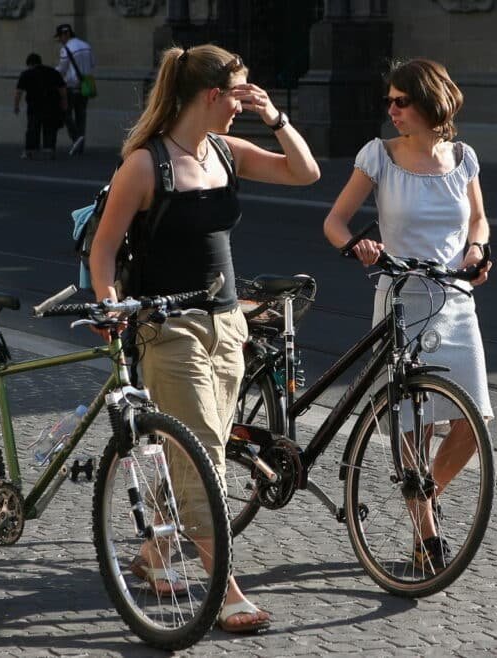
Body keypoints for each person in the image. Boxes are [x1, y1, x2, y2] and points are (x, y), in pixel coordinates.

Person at [88, 44, 319, 633]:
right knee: (205, 457)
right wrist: (112, 310)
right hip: (171, 332)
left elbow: (304, 172)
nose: (244, 107)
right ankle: (226, 593)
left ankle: (156, 555)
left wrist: (277, 117)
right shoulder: (145, 164)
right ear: (213, 96)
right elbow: (105, 249)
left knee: (189, 447)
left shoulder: (224, 152)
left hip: (226, 326)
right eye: (241, 96)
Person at [322, 58, 493, 570]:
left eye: (401, 102)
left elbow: (479, 220)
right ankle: (425, 532)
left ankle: (423, 493)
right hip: (399, 297)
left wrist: (479, 251)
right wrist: (359, 245)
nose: (391, 110)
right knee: (411, 426)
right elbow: (334, 221)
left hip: (454, 300)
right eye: (389, 102)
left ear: (429, 104)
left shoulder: (463, 158)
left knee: (474, 419)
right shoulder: (378, 156)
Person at [14, 53, 67, 160]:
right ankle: (50, 149)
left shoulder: (26, 74)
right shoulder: (53, 72)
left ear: (29, 64)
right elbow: (62, 89)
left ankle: (30, 150)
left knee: (33, 128)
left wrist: (16, 106)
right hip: (52, 105)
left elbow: (18, 92)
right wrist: (64, 102)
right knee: (50, 128)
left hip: (34, 105)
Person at [54, 24, 94, 156]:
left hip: (71, 86)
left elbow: (62, 69)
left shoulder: (66, 49)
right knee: (81, 116)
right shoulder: (86, 46)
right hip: (85, 86)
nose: (60, 40)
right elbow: (92, 64)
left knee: (65, 113)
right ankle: (80, 145)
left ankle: (76, 138)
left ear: (65, 34)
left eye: (60, 37)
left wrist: (52, 72)